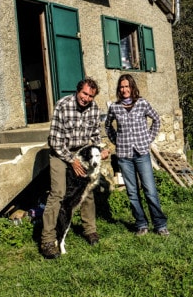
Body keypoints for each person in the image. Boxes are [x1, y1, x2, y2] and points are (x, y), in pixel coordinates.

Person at [40, 77, 109, 259]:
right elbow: (55, 140)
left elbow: (95, 135)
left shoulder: (94, 109)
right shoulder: (63, 105)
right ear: (78, 90)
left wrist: (99, 150)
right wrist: (72, 160)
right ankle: (48, 240)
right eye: (84, 93)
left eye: (90, 96)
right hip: (61, 153)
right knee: (59, 193)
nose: (86, 98)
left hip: (82, 153)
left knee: (87, 190)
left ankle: (90, 230)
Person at [105, 74, 169, 237]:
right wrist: (116, 141)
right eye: (122, 87)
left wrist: (148, 138)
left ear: (132, 87)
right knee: (132, 192)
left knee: (150, 190)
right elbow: (108, 126)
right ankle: (141, 224)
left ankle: (160, 225)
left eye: (127, 86)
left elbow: (156, 119)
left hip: (141, 153)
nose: (124, 90)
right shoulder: (115, 107)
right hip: (124, 155)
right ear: (119, 89)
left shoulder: (142, 103)